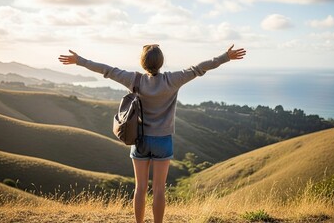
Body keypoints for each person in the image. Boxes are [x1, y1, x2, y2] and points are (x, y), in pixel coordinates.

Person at [58, 44, 246, 223]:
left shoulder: (134, 80)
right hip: (163, 141)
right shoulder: (172, 80)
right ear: (161, 62)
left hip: (139, 140)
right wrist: (225, 57)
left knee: (140, 188)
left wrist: (79, 60)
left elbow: (107, 70)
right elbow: (199, 68)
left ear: (142, 63)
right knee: (159, 190)